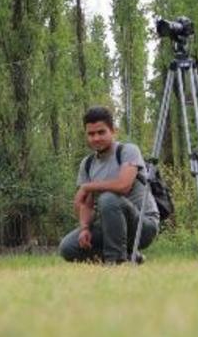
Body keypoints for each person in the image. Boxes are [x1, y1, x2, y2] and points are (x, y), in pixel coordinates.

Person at [59, 107, 159, 264]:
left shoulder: (128, 151)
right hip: (110, 228)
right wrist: (85, 228)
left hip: (142, 226)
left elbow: (123, 186)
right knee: (68, 247)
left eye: (101, 132)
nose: (96, 138)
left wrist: (87, 187)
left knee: (108, 198)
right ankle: (131, 256)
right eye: (91, 134)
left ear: (113, 131)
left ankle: (116, 261)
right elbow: (87, 204)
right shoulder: (87, 164)